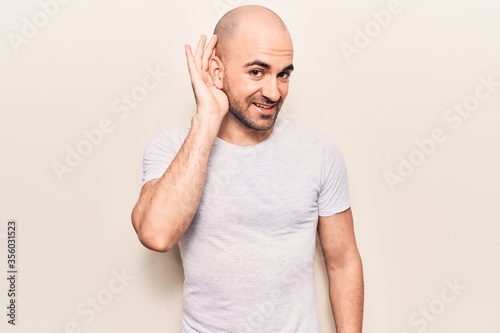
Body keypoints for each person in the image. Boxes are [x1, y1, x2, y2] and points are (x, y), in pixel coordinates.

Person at [131, 5, 364, 333]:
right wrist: (207, 119)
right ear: (216, 69)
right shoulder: (172, 150)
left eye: (283, 74)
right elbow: (156, 234)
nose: (274, 92)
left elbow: (342, 262)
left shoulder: (320, 154)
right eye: (257, 71)